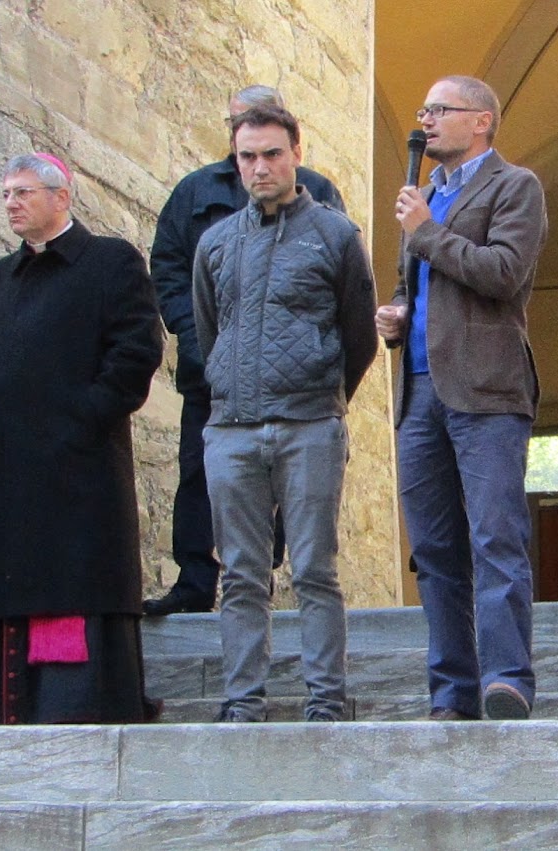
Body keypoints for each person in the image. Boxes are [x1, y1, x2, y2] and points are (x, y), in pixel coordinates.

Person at [0, 153, 165, 724]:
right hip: (7, 473)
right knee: (16, 590)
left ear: (61, 197)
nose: (11, 203)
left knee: (75, 589)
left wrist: (82, 418)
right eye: (6, 193)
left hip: (81, 471)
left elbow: (136, 351)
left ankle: (72, 708)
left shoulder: (110, 261)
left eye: (23, 192)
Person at [193, 105, 377, 723]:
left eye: (272, 154)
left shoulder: (336, 235)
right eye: (247, 156)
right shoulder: (215, 242)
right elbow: (209, 330)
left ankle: (325, 699)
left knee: (315, 571)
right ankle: (243, 701)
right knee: (241, 574)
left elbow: (359, 336)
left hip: (310, 425)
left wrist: (323, 395)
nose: (260, 167)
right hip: (231, 429)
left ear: (297, 153)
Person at [376, 75, 547, 721]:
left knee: (495, 538)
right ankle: (451, 690)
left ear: (481, 120)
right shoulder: (422, 197)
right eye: (423, 110)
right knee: (434, 551)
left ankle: (507, 680)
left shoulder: (514, 186)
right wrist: (397, 312)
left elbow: (503, 272)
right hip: (419, 390)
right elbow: (413, 284)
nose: (425, 120)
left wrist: (426, 233)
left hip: (486, 389)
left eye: (439, 110)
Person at [144, 85, 348, 617]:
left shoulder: (318, 192)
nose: (257, 159)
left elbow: (346, 291)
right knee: (197, 474)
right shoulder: (194, 191)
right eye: (241, 132)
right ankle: (194, 583)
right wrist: (198, 341)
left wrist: (319, 360)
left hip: (295, 385)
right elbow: (170, 268)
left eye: (266, 138)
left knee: (283, 485)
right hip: (213, 375)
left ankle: (266, 577)